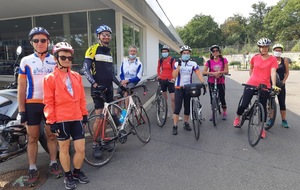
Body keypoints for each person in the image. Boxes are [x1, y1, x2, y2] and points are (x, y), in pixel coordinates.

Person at [17, 27, 62, 187]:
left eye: (43, 40)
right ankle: (32, 167)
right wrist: (22, 110)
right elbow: (21, 88)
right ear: (31, 43)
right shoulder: (26, 61)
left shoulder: (55, 60)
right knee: (33, 137)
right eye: (36, 40)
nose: (40, 43)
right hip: (32, 105)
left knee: (51, 135)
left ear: (48, 42)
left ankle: (53, 162)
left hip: (50, 104)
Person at [43, 42, 89, 189]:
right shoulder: (49, 78)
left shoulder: (76, 76)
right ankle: (68, 175)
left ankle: (77, 172)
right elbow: (48, 102)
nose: (67, 60)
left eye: (70, 58)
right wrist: (51, 121)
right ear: (56, 58)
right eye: (63, 57)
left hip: (76, 117)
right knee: (63, 148)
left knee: (81, 149)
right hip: (61, 118)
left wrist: (84, 114)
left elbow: (82, 97)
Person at [82, 24, 126, 158]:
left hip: (109, 88)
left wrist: (120, 85)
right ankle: (96, 144)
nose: (106, 36)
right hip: (98, 89)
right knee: (100, 117)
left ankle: (104, 140)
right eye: (103, 34)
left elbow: (111, 74)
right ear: (98, 36)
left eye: (108, 34)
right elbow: (85, 69)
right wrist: (95, 84)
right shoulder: (92, 49)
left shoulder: (109, 52)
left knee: (106, 117)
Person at [233, 38, 281, 139]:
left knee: (262, 108)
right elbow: (251, 68)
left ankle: (261, 129)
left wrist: (273, 85)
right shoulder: (255, 58)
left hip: (265, 85)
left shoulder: (272, 59)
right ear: (259, 48)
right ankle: (237, 117)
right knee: (244, 104)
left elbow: (273, 72)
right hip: (252, 84)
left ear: (268, 48)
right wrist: (252, 78)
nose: (264, 49)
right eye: (262, 47)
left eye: (266, 47)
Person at [172, 45, 205, 135]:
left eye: (187, 53)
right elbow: (174, 75)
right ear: (181, 54)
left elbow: (198, 73)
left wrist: (203, 82)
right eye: (184, 53)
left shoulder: (193, 64)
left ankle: (186, 123)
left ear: (190, 54)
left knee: (187, 108)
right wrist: (179, 65)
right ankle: (175, 126)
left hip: (188, 88)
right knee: (177, 108)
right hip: (178, 88)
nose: (186, 54)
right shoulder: (176, 63)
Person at [202, 45, 229, 120]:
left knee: (222, 97)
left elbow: (227, 71)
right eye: (213, 51)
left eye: (217, 50)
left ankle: (224, 112)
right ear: (212, 53)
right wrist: (212, 73)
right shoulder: (209, 62)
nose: (215, 52)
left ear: (219, 51)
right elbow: (204, 71)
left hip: (220, 81)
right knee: (212, 98)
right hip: (211, 81)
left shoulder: (223, 60)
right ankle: (213, 113)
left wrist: (220, 72)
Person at [157, 45, 182, 120]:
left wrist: (174, 78)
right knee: (164, 98)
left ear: (168, 52)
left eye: (166, 51)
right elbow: (158, 68)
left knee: (173, 98)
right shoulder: (160, 60)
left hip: (170, 80)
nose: (164, 53)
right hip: (162, 80)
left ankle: (175, 114)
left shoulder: (172, 60)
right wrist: (159, 75)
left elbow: (174, 69)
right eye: (163, 52)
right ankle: (166, 113)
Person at [268, 43, 290, 128]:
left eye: (280, 50)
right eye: (276, 50)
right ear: (273, 51)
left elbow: (287, 72)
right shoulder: (270, 59)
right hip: (271, 84)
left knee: (282, 103)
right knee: (271, 103)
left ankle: (284, 120)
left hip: (280, 84)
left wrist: (283, 81)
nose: (278, 52)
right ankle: (270, 119)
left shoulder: (284, 60)